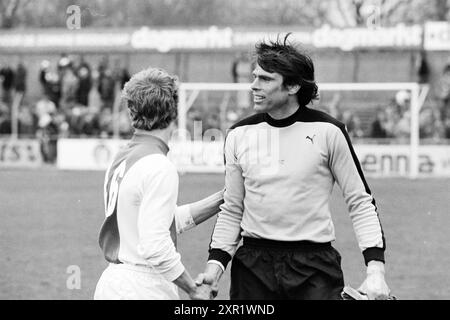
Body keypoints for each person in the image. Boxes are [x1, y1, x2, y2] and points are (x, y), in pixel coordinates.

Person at [196, 34, 390, 300]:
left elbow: (360, 202)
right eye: (254, 77)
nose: (253, 86)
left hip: (315, 267)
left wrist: (376, 271)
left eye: (265, 79)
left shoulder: (329, 131)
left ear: (293, 86)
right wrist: (214, 269)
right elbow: (232, 209)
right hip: (252, 267)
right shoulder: (238, 134)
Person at [94, 67, 222, 300]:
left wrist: (223, 198)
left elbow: (161, 220)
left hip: (113, 283)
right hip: (143, 286)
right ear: (174, 110)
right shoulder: (158, 166)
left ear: (132, 111)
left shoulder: (123, 156)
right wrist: (193, 290)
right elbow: (155, 245)